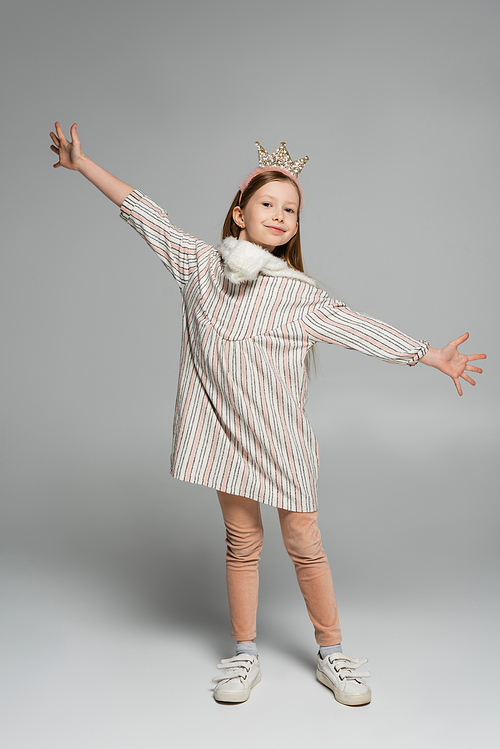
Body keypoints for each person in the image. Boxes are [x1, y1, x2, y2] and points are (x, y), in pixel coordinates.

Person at [49, 123, 486, 706]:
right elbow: (142, 211)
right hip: (224, 435)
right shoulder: (198, 267)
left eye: (292, 210)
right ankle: (244, 654)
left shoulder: (301, 295)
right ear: (239, 213)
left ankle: (333, 654)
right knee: (242, 540)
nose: (280, 216)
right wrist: (85, 165)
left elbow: (360, 329)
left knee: (304, 542)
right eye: (268, 203)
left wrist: (430, 355)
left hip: (283, 441)